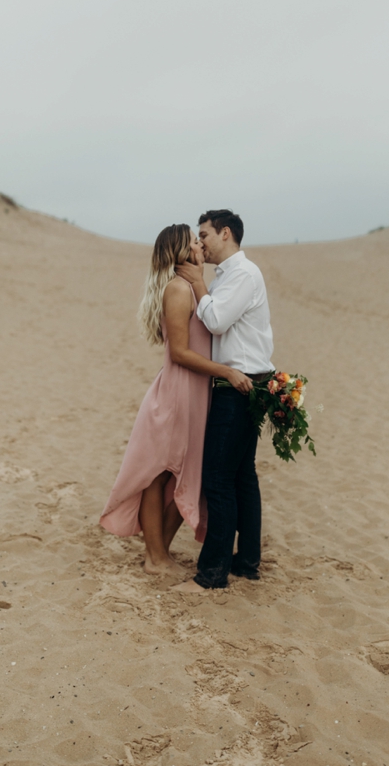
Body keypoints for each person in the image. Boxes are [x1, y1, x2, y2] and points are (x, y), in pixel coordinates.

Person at [99, 224, 255, 575]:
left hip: (195, 394)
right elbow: (181, 353)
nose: (201, 245)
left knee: (180, 477)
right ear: (183, 253)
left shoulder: (194, 288)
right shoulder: (178, 289)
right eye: (194, 242)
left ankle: (160, 554)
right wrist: (226, 372)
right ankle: (155, 558)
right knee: (157, 476)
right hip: (177, 394)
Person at [170, 209, 274, 593]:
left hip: (239, 385)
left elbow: (215, 321)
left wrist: (197, 282)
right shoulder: (231, 276)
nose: (200, 243)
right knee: (242, 476)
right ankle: (245, 563)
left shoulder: (243, 274)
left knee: (219, 479)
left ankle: (211, 575)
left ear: (225, 233)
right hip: (249, 382)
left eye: (204, 235)